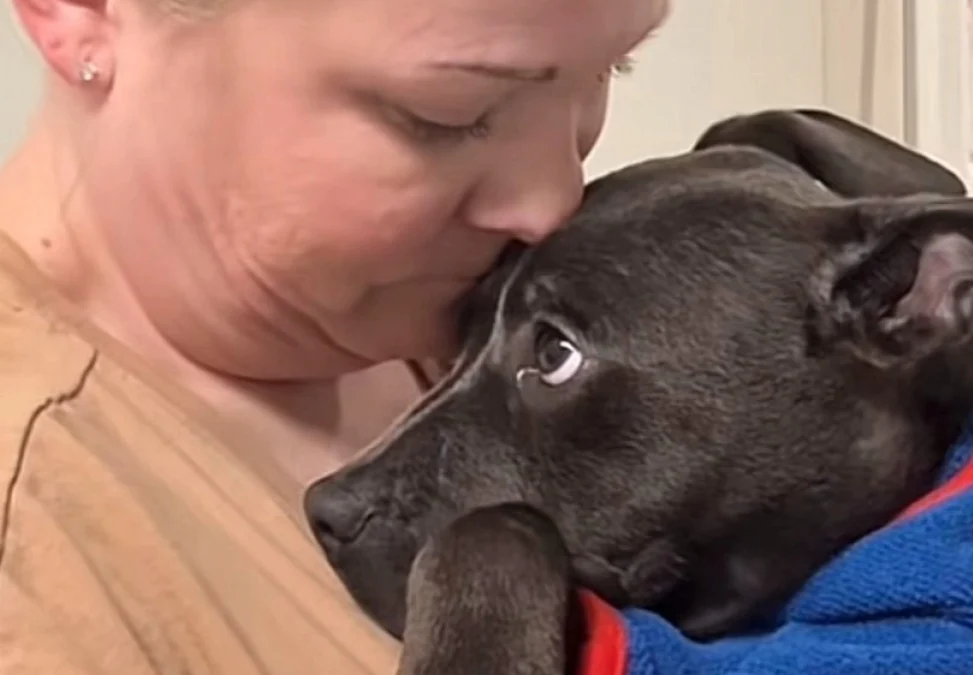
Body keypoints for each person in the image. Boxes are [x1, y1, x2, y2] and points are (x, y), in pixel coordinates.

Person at [0, 0, 668, 671]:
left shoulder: (459, 305)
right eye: (448, 112)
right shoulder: (31, 542)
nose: (555, 198)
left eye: (612, 65)